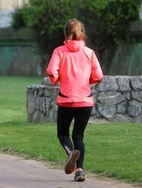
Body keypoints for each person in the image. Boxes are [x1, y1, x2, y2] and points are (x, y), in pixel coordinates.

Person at [46, 18, 103, 182]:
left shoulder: (59, 51)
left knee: (62, 133)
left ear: (65, 34)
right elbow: (98, 76)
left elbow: (51, 71)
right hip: (85, 101)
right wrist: (87, 82)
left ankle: (71, 153)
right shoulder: (89, 53)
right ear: (82, 34)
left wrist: (55, 79)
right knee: (78, 136)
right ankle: (79, 171)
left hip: (66, 100)